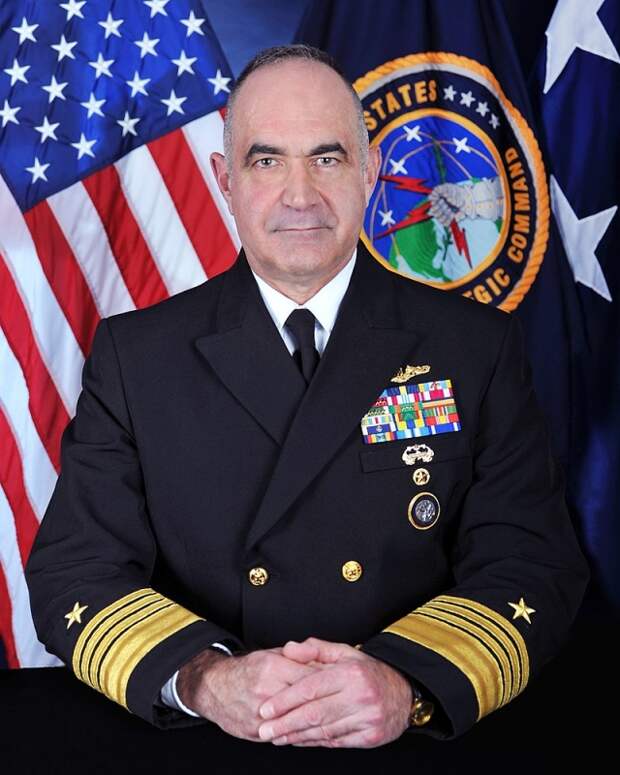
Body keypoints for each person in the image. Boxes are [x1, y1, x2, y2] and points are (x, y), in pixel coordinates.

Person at [26, 44, 590, 749]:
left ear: (370, 171)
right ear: (224, 180)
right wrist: (205, 678)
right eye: (267, 161)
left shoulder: (475, 347)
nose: (300, 195)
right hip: (212, 743)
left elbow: (531, 561)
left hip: (407, 741)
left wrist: (404, 682)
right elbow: (75, 570)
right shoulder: (136, 357)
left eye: (327, 158)